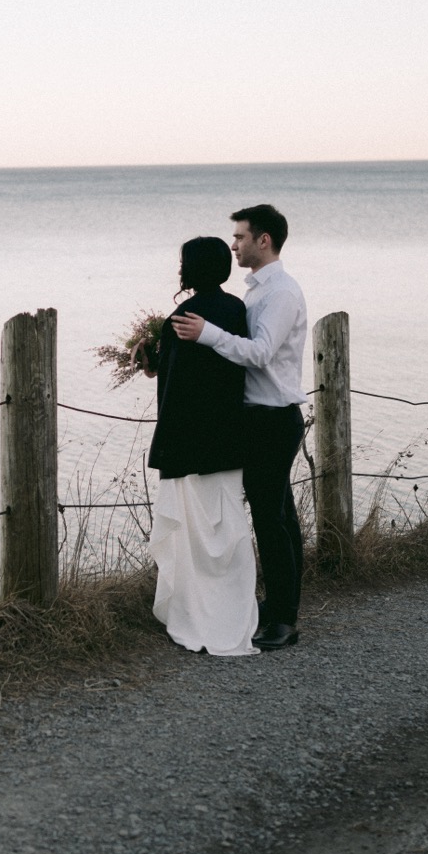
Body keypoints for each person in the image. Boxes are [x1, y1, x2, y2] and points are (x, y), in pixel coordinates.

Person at [170, 204, 309, 651]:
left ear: (263, 240)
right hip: (259, 417)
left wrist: (206, 332)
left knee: (272, 520)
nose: (234, 246)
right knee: (279, 516)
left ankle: (284, 620)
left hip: (273, 418)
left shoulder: (281, 293)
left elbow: (261, 352)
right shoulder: (256, 293)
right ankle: (280, 605)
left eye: (241, 237)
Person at [144, 236, 258, 656]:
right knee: (229, 531)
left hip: (189, 445)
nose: (179, 269)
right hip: (229, 438)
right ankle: (236, 615)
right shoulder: (235, 310)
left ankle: (198, 617)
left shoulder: (183, 318)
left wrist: (154, 361)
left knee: (193, 540)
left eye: (182, 262)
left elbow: (178, 390)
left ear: (192, 268)